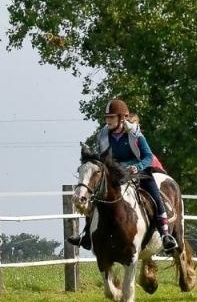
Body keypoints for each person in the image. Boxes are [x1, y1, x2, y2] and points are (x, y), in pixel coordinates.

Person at [75, 98, 178, 253]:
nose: (108, 121)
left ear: (122, 118)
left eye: (111, 117)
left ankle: (165, 235)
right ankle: (87, 234)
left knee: (155, 196)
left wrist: (138, 167)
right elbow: (103, 159)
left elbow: (148, 156)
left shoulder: (134, 133)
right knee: (96, 196)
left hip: (139, 171)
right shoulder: (103, 135)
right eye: (107, 117)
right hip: (116, 173)